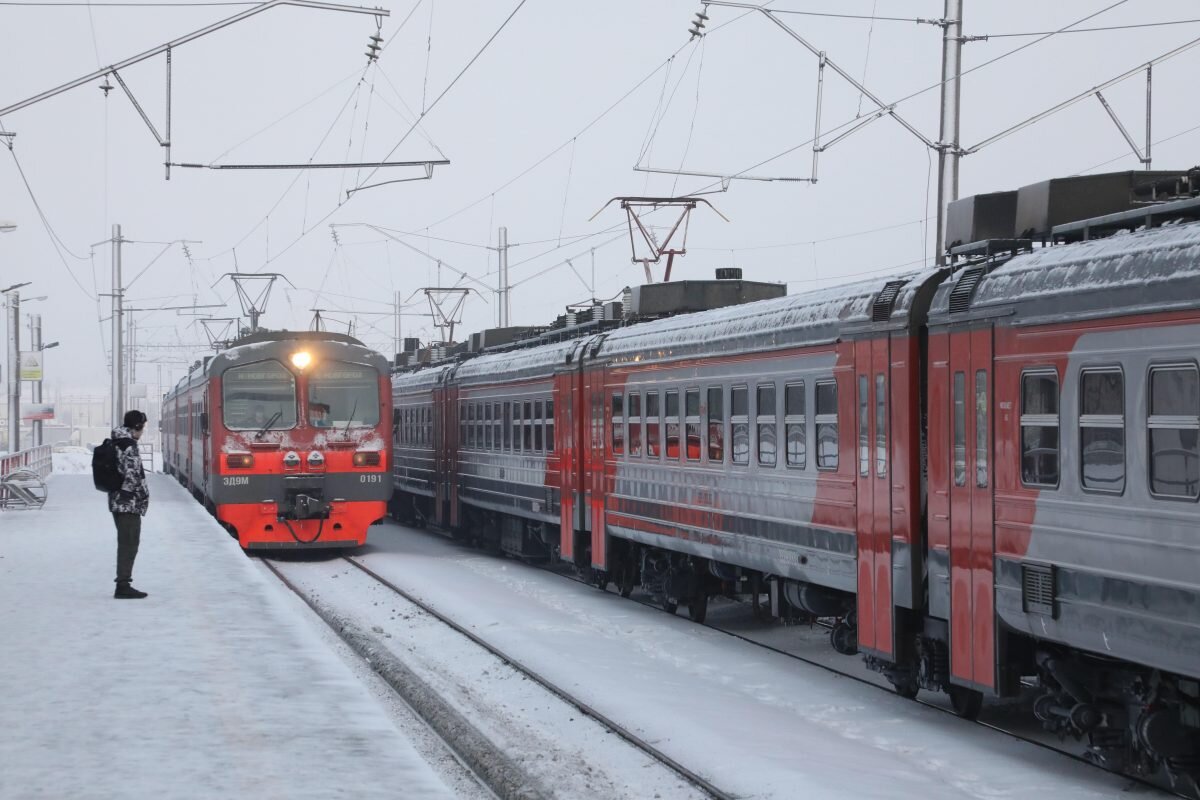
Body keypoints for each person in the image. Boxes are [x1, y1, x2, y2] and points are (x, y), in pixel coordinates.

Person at [109, 410, 150, 599]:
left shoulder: (116, 441)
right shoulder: (129, 446)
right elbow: (133, 476)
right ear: (137, 427)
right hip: (128, 503)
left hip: (117, 500)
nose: (142, 432)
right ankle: (123, 585)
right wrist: (144, 496)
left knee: (126, 542)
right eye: (142, 427)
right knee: (129, 543)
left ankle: (123, 582)